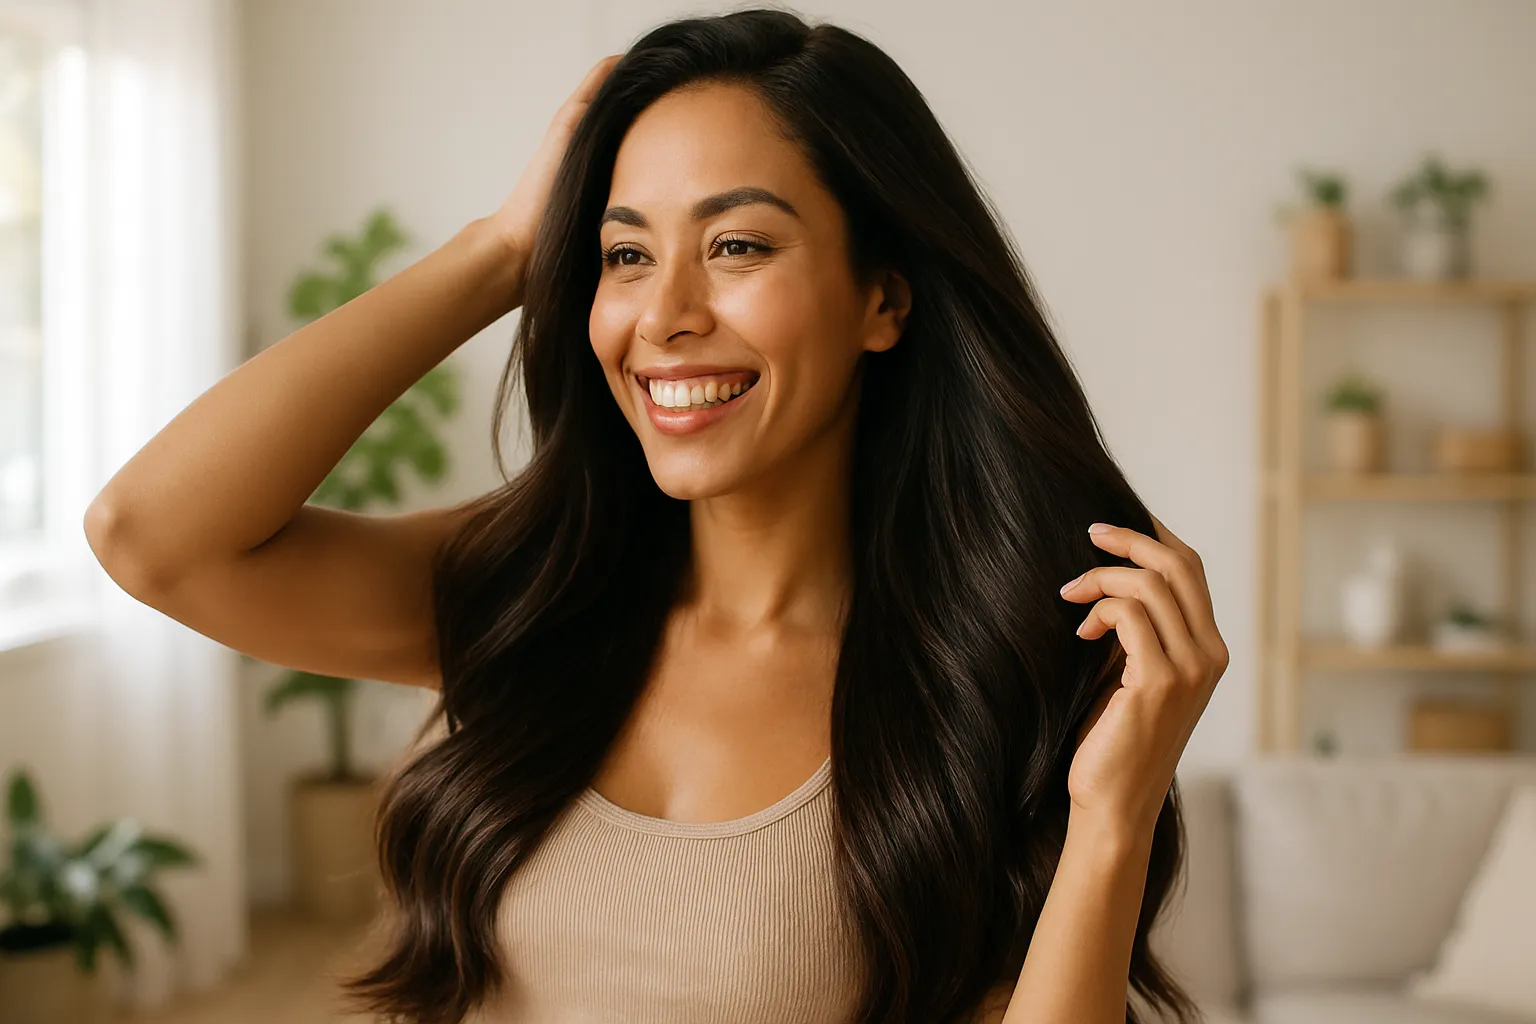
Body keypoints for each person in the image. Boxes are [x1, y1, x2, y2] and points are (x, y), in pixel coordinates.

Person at [84, 9, 1227, 1024]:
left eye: (736, 245)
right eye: (625, 254)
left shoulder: (982, 679)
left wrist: (1111, 820)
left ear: (882, 298)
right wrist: (502, 250)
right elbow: (151, 536)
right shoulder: (536, 591)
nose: (665, 315)